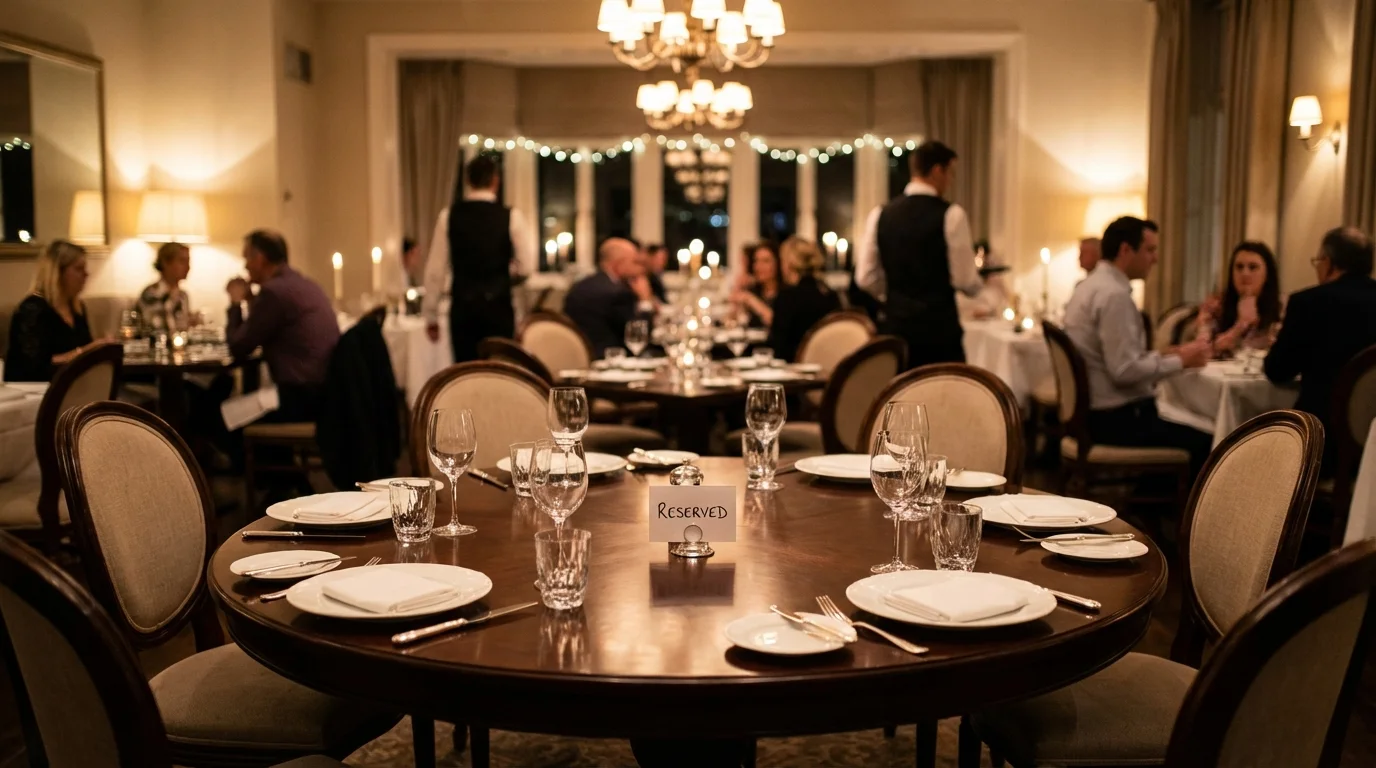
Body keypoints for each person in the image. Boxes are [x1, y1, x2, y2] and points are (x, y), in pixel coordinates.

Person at [1063, 216, 1213, 473]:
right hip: (1115, 420)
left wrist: (1161, 355)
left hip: (1091, 415)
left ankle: (1149, 499)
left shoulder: (1089, 286)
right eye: (1150, 250)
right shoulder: (1114, 296)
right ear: (1125, 250)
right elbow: (1123, 371)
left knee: (1187, 420)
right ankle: (1182, 511)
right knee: (1212, 440)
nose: (1155, 258)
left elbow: (1116, 357)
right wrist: (1182, 361)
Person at [856, 140, 982, 369]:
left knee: (898, 398)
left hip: (896, 329)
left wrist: (895, 296)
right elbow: (964, 280)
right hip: (939, 333)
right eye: (950, 173)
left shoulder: (880, 214)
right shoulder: (952, 214)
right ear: (937, 170)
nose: (950, 181)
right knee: (944, 399)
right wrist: (979, 286)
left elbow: (865, 278)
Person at [1265, 227, 1376, 469]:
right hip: (1372, 443)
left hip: (1320, 439)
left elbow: (1277, 370)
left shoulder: (1308, 303)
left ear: (1328, 263)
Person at [422, 155, 537, 363]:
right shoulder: (511, 217)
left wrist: (430, 315)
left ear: (468, 181)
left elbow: (435, 271)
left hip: (463, 309)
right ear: (496, 180)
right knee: (499, 371)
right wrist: (503, 274)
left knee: (466, 372)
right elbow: (527, 267)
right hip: (498, 307)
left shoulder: (449, 216)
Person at [225, 230, 340, 422]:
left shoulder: (273, 292)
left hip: (300, 399)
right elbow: (265, 327)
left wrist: (235, 304)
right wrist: (252, 300)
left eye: (247, 258)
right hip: (325, 393)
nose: (245, 266)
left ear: (260, 259)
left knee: (220, 417)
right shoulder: (303, 284)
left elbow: (239, 346)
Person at [4, 240, 98, 382]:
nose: (86, 274)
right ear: (57, 272)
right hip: (36, 390)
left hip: (72, 384)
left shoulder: (77, 307)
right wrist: (85, 352)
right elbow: (34, 366)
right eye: (79, 269)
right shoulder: (32, 309)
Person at [564, 237, 657, 357]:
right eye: (634, 262)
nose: (640, 269)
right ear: (618, 264)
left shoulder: (580, 285)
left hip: (577, 356)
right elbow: (639, 335)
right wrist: (645, 300)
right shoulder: (617, 293)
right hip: (610, 359)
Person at [1191, 241, 1283, 354]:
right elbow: (1199, 351)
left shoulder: (1283, 308)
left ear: (1267, 274)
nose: (1245, 273)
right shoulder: (1215, 306)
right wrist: (1239, 326)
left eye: (1253, 267)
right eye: (1239, 267)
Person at [766, 237, 841, 362]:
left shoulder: (788, 297)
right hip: (828, 367)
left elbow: (778, 348)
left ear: (789, 264)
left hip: (792, 370)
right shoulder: (830, 294)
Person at [137, 242, 192, 333]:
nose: (188, 267)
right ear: (165, 263)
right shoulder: (151, 294)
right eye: (182, 261)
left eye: (188, 261)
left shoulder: (183, 296)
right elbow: (156, 327)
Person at [729, 242, 781, 328]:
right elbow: (731, 320)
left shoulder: (786, 293)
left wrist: (750, 299)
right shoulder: (754, 289)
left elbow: (776, 322)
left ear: (778, 264)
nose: (758, 266)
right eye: (756, 261)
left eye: (765, 261)